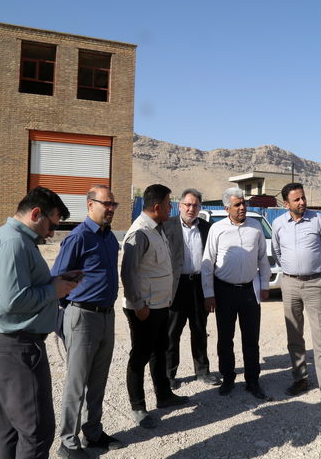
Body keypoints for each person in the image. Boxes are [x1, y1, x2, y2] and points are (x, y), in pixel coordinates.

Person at [0, 186, 78, 459]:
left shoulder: (13, 239)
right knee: (36, 430)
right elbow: (13, 300)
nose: (51, 233)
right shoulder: (13, 243)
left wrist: (55, 282)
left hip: (13, 344)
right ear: (36, 214)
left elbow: (21, 288)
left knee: (12, 428)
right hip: (17, 346)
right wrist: (54, 290)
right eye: (51, 225)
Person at [51, 185, 123, 458]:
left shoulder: (109, 238)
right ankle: (68, 443)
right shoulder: (78, 237)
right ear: (90, 205)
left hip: (106, 315)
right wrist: (63, 318)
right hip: (82, 316)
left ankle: (93, 432)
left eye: (113, 204)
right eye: (106, 204)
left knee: (98, 380)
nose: (111, 209)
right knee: (77, 383)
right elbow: (57, 278)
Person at [120, 184, 188, 429]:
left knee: (159, 350)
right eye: (170, 204)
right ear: (157, 207)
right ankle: (138, 407)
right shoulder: (139, 232)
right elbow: (128, 273)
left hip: (159, 304)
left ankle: (164, 395)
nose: (172, 208)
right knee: (140, 356)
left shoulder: (158, 229)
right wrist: (138, 305)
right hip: (144, 308)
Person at [271, 183, 321, 410]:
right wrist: (293, 268)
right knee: (294, 336)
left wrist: (311, 266)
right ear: (286, 204)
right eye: (296, 199)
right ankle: (300, 379)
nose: (302, 202)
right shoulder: (278, 224)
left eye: (303, 198)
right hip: (289, 284)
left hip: (314, 283)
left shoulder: (317, 220)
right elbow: (277, 253)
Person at [201, 187, 271, 400]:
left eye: (244, 203)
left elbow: (262, 258)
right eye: (237, 204)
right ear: (227, 208)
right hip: (224, 291)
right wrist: (208, 293)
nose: (242, 208)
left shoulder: (255, 227)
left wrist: (265, 285)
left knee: (251, 338)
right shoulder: (217, 229)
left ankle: (253, 380)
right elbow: (207, 262)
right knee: (225, 338)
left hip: (250, 291)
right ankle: (228, 377)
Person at [164, 188, 221, 389]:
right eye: (187, 204)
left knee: (199, 330)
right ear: (179, 206)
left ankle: (203, 371)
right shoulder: (167, 226)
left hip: (198, 285)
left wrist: (210, 292)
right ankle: (169, 375)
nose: (191, 208)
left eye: (195, 205)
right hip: (175, 287)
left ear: (200, 208)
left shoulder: (207, 228)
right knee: (171, 333)